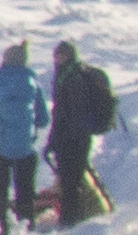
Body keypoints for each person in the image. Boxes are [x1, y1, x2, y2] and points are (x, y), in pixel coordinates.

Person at [0, 38, 48, 228]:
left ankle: (1, 226)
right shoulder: (33, 83)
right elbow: (43, 119)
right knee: (25, 191)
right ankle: (26, 225)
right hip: (26, 147)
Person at [47, 35, 118, 222]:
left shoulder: (73, 77)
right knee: (71, 178)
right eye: (57, 55)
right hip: (72, 135)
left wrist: (64, 136)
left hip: (74, 137)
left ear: (70, 56)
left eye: (62, 55)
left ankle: (71, 218)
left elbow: (72, 111)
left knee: (71, 180)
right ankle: (75, 215)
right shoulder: (64, 75)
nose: (58, 59)